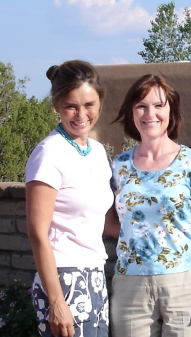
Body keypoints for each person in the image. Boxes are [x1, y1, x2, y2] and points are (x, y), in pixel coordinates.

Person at [106, 74, 191, 337]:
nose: (150, 114)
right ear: (131, 113)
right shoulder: (118, 166)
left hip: (184, 285)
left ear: (172, 110)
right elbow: (109, 222)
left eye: (159, 105)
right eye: (141, 106)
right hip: (129, 286)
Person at [25, 60, 113, 337]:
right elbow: (37, 233)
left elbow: (102, 222)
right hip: (63, 279)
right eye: (71, 106)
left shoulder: (97, 152)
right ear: (56, 105)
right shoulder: (49, 153)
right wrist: (57, 302)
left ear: (100, 102)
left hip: (95, 274)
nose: (81, 114)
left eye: (89, 104)